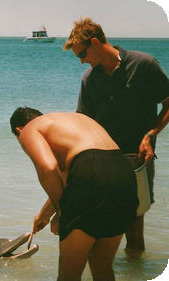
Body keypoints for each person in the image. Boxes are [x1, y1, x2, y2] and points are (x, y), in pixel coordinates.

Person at [63, 17, 169, 253]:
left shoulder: (144, 64)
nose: (81, 62)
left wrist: (151, 134)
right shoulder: (89, 80)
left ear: (95, 43)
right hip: (102, 164)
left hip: (138, 161)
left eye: (82, 54)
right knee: (98, 235)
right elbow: (84, 125)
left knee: (134, 234)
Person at [10, 107, 138, 281]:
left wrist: (62, 213)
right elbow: (72, 173)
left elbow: (48, 168)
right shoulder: (70, 121)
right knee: (102, 268)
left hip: (90, 170)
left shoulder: (29, 129)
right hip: (124, 172)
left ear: (19, 130)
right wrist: (45, 214)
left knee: (69, 275)